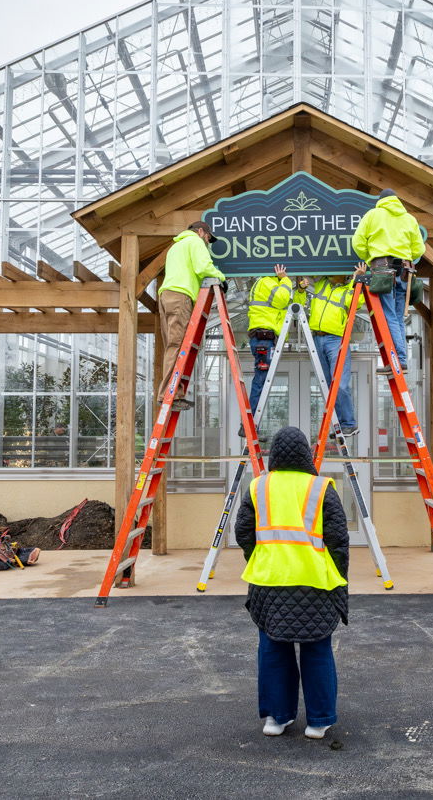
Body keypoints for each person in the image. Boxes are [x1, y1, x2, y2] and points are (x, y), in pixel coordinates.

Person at [234, 426, 349, 740]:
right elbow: (338, 540)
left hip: (268, 583)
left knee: (272, 649)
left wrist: (261, 559)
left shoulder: (258, 487)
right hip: (315, 584)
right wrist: (340, 580)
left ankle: (276, 718)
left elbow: (242, 533)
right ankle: (319, 722)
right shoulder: (321, 487)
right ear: (306, 454)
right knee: (317, 650)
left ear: (274, 454)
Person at [351, 189, 423, 373]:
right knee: (397, 317)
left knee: (390, 316)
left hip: (383, 270)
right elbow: (418, 250)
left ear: (380, 201)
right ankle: (401, 360)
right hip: (405, 271)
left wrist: (370, 258)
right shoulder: (409, 219)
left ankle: (398, 361)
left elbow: (357, 242)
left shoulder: (373, 215)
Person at [157, 221, 224, 410]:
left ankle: (173, 393)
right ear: (201, 231)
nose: (208, 243)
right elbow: (203, 267)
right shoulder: (195, 242)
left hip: (167, 296)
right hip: (181, 296)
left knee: (173, 346)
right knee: (179, 346)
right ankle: (169, 395)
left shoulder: (176, 247)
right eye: (208, 239)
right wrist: (221, 278)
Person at [300, 272, 360, 438]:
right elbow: (308, 280)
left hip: (336, 339)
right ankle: (340, 425)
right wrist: (301, 287)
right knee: (328, 387)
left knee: (340, 384)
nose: (332, 274)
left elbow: (358, 300)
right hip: (317, 338)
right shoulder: (322, 284)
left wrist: (357, 279)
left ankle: (349, 423)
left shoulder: (349, 289)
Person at [244, 264, 301, 429]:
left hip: (265, 338)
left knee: (261, 379)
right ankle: (249, 424)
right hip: (263, 338)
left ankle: (251, 423)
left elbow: (291, 305)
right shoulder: (267, 281)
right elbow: (283, 298)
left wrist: (301, 291)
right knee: (261, 381)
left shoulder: (272, 285)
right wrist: (285, 280)